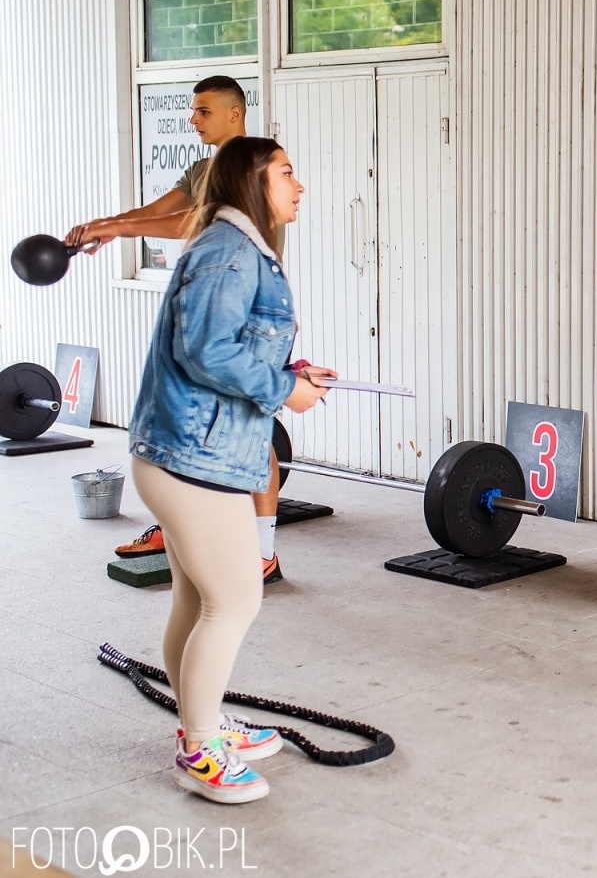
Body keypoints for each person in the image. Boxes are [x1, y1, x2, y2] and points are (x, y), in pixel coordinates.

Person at [127, 136, 332, 803]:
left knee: (199, 600)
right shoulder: (230, 252)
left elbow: (226, 347)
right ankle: (198, 752)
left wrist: (290, 373)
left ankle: (203, 722)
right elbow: (207, 350)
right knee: (237, 599)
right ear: (252, 181)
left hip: (188, 452)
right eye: (287, 174)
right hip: (194, 458)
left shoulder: (237, 250)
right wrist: (282, 390)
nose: (299, 187)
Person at [70, 75, 291, 585]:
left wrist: (120, 229)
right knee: (181, 421)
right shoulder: (202, 169)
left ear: (235, 113)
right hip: (203, 306)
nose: (193, 119)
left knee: (252, 432)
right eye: (193, 110)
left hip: (249, 315)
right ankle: (172, 526)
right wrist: (102, 226)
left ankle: (263, 551)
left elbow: (196, 222)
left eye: (204, 111)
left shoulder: (256, 165)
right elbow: (156, 214)